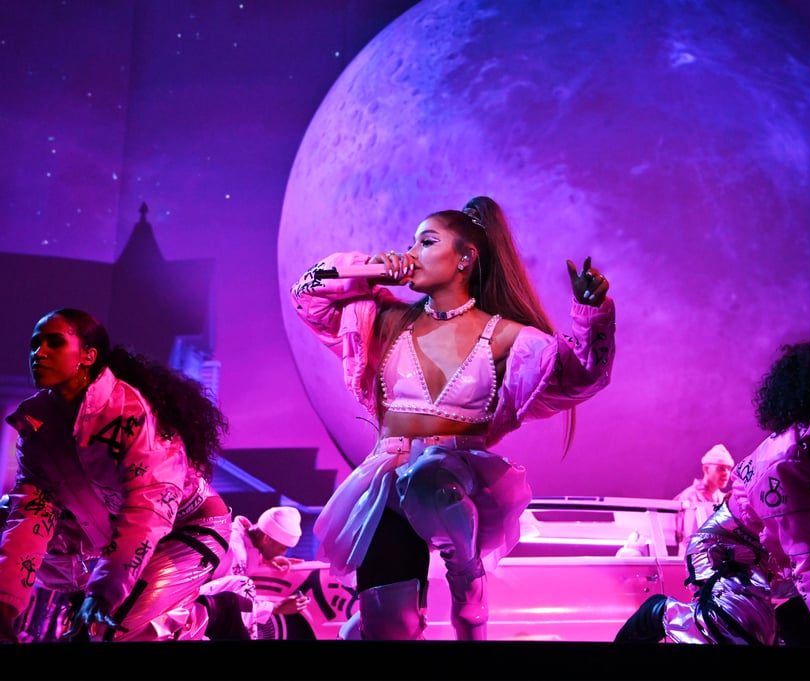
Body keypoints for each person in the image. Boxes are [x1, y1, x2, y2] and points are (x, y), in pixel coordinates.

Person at [290, 195, 615, 640]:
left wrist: (590, 315)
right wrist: (370, 269)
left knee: (430, 478)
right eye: (411, 243)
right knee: (390, 625)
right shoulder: (385, 320)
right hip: (386, 481)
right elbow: (307, 294)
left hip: (457, 480)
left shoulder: (506, 337)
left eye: (426, 242)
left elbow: (582, 375)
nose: (411, 253)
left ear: (465, 258)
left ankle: (466, 572)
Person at [615, 341, 810, 650]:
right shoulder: (792, 461)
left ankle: (784, 623)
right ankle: (663, 613)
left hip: (790, 561)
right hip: (732, 549)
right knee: (745, 632)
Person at [0, 308, 232, 643]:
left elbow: (147, 509)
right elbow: (30, 516)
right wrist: (5, 605)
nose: (39, 353)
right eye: (35, 344)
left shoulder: (131, 413)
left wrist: (105, 592)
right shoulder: (37, 427)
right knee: (5, 512)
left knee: (111, 632)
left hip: (189, 527)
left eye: (54, 342)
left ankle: (212, 611)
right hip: (114, 532)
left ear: (88, 355)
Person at [198, 505, 312, 640]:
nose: (284, 554)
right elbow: (229, 603)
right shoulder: (235, 551)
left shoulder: (242, 537)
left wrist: (264, 559)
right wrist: (276, 607)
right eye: (282, 548)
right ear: (267, 539)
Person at [673, 443, 734, 551]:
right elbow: (684, 536)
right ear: (706, 469)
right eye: (721, 468)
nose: (726, 473)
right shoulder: (690, 496)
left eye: (728, 469)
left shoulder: (725, 498)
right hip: (694, 555)